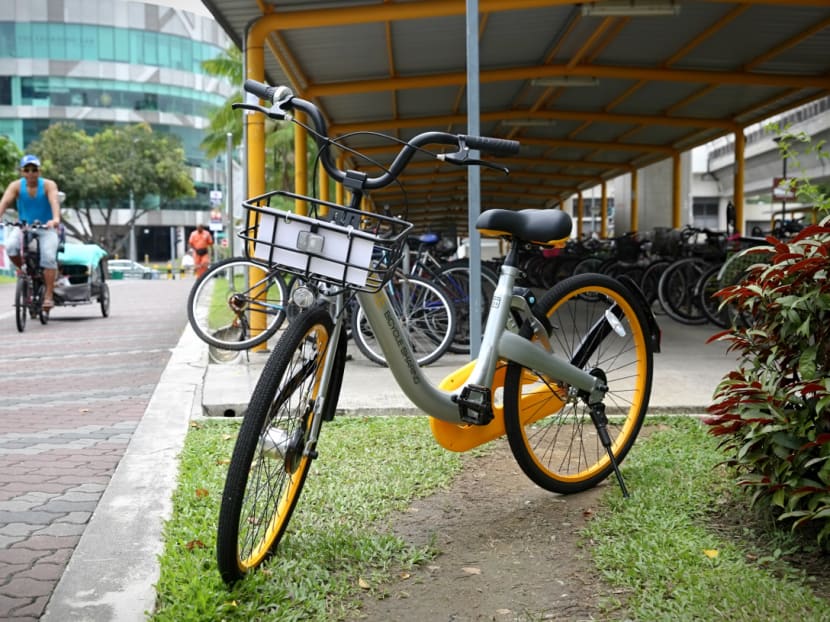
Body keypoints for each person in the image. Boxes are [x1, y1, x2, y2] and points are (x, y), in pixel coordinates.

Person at [0, 155, 62, 309]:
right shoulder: (15, 186)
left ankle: (48, 295)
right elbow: (5, 202)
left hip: (46, 227)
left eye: (34, 170)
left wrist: (55, 219)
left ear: (39, 171)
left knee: (48, 257)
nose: (31, 173)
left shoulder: (48, 185)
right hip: (24, 227)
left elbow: (54, 202)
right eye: (27, 170)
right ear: (22, 172)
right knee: (11, 246)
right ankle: (24, 271)